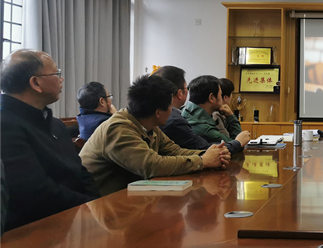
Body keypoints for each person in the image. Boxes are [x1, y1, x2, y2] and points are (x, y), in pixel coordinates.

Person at [79, 74, 231, 196]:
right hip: (99, 204)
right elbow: (152, 165)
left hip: (129, 197)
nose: (173, 110)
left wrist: (212, 155)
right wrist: (202, 161)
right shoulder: (118, 129)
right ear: (158, 112)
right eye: (170, 106)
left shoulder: (148, 124)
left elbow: (174, 151)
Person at [1, 50, 100, 232]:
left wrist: (97, 202)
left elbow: (80, 172)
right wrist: (90, 206)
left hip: (72, 222)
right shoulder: (5, 125)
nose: (61, 79)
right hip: (28, 232)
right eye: (57, 73)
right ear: (35, 83)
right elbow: (34, 191)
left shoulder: (55, 124)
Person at [153, 67, 245, 154]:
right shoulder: (197, 126)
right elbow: (233, 146)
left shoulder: (182, 112)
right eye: (220, 95)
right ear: (211, 98)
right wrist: (232, 118)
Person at [181, 75, 251, 148]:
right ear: (211, 98)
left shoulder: (184, 111)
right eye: (220, 95)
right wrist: (231, 116)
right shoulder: (204, 129)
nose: (222, 98)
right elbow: (236, 145)